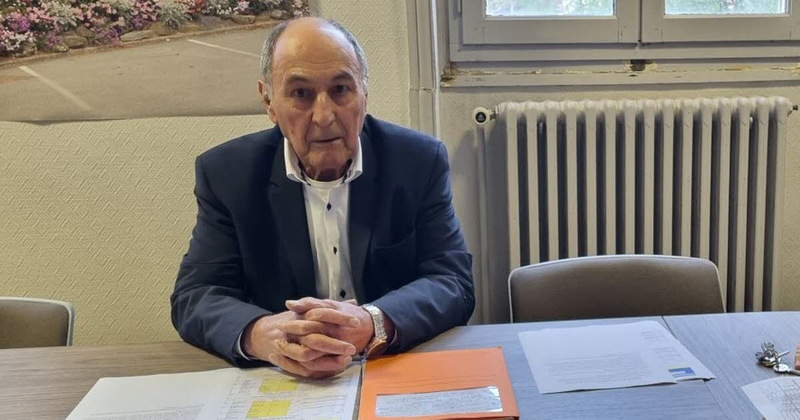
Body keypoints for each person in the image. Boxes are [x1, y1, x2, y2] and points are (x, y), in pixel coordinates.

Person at [170, 16, 474, 379]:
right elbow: (195, 295)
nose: (324, 115)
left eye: (341, 89)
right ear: (269, 100)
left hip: (389, 366)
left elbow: (452, 281)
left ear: (364, 93)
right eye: (301, 94)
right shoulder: (227, 174)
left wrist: (372, 322)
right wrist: (263, 334)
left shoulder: (418, 161)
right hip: (283, 378)